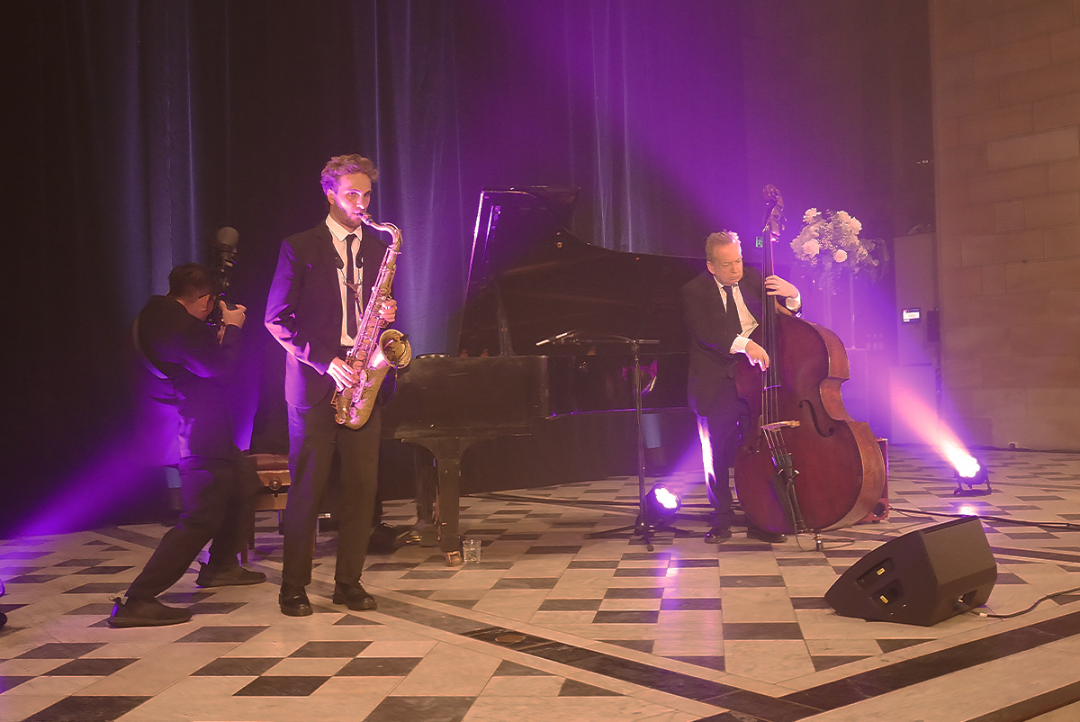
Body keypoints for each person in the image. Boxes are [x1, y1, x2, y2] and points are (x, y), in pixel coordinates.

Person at [265, 154, 397, 617]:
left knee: (363, 490)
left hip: (363, 381)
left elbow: (374, 306)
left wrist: (382, 320)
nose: (361, 204)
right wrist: (327, 362)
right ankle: (293, 587)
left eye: (367, 195)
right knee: (308, 489)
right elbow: (276, 319)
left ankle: (349, 582)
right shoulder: (300, 246)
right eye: (352, 195)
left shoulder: (380, 248)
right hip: (317, 384)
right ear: (330, 194)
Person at [110, 264, 265, 628]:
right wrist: (233, 330)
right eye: (212, 305)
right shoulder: (181, 326)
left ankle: (222, 566)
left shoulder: (153, 314)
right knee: (200, 516)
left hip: (196, 424)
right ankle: (138, 599)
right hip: (196, 428)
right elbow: (221, 369)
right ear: (206, 299)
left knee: (244, 479)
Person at [681, 231, 802, 544]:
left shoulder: (753, 278)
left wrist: (793, 295)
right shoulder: (694, 291)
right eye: (727, 264)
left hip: (755, 380)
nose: (736, 269)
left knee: (758, 449)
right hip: (715, 380)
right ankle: (721, 519)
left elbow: (787, 318)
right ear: (711, 266)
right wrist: (747, 345)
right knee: (716, 454)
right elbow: (709, 333)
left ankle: (760, 517)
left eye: (738, 260)